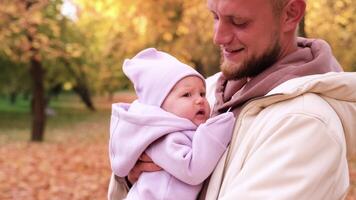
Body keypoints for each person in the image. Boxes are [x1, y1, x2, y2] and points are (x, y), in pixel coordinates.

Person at [108, 0, 356, 199]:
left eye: (238, 21)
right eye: (215, 16)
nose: (219, 37)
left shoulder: (306, 124)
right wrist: (133, 177)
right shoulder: (207, 90)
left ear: (290, 14)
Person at [109, 48, 235, 199]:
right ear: (160, 106)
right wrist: (216, 131)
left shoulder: (179, 131)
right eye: (187, 94)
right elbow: (192, 170)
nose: (200, 100)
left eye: (202, 93)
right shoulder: (163, 138)